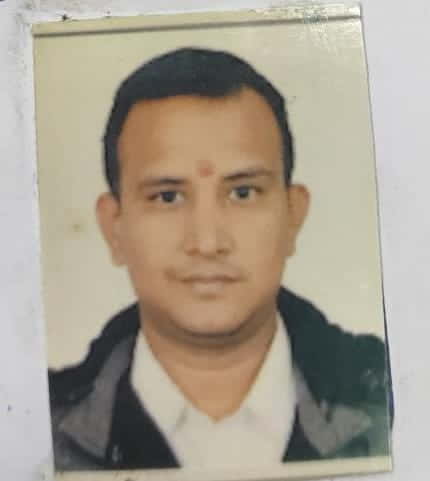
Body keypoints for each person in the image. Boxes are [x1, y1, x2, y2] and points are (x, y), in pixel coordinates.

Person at [48, 47, 392, 471]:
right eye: (167, 197)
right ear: (114, 228)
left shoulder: (394, 400)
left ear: (293, 216)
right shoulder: (37, 427)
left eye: (242, 193)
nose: (208, 243)